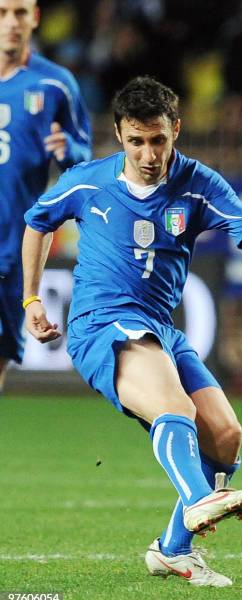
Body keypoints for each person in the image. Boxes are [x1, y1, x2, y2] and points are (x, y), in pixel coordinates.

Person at [22, 76, 242, 587]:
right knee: (177, 409)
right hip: (101, 326)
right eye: (136, 141)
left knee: (226, 437)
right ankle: (199, 499)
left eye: (158, 140)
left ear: (176, 129)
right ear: (119, 136)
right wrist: (32, 298)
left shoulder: (198, 184)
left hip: (162, 331)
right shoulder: (88, 182)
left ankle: (174, 550)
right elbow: (38, 222)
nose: (149, 154)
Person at [0, 0, 91, 390]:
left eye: (20, 12)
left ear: (35, 18)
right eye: (2, 12)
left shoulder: (55, 83)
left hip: (11, 245)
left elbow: (85, 155)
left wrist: (68, 150)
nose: (11, 23)